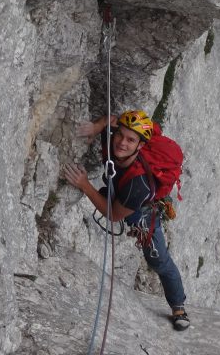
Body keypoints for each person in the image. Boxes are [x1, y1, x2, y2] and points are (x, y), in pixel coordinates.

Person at [63, 109, 190, 331]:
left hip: (141, 212)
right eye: (120, 135)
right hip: (121, 192)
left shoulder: (138, 184)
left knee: (158, 261)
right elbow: (111, 119)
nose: (121, 142)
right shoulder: (113, 136)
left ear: (140, 146)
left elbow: (112, 214)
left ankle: (178, 305)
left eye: (130, 140)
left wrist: (84, 185)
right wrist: (96, 126)